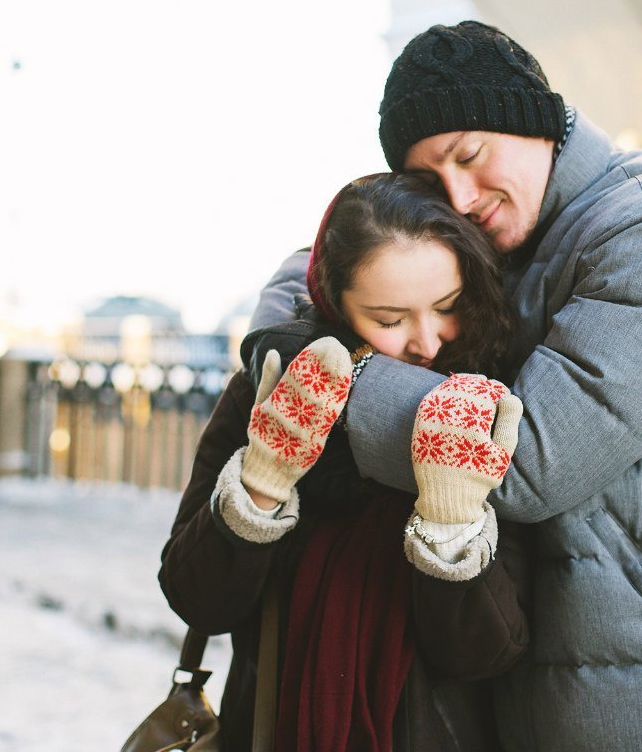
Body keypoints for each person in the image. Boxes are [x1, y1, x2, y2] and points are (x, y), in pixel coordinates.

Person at [249, 21, 642, 751]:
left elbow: (524, 461)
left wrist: (319, 385)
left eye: (471, 155)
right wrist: (287, 328)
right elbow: (332, 253)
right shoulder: (509, 230)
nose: (457, 195)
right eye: (431, 180)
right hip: (554, 686)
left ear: (535, 124)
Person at [159, 172, 531, 752]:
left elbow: (485, 653)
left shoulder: (492, 407)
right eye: (390, 320)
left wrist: (452, 519)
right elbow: (197, 599)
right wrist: (260, 486)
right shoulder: (274, 393)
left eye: (448, 306)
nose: (428, 342)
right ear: (336, 305)